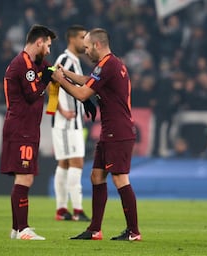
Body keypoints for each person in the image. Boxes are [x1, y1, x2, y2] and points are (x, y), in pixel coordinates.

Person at [51, 28, 141, 241]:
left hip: (117, 132)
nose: (86, 51)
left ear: (98, 45)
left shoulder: (107, 65)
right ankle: (94, 230)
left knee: (120, 178)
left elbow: (82, 93)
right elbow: (87, 81)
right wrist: (67, 74)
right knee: (97, 176)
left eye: (88, 47)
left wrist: (59, 80)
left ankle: (134, 232)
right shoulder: (111, 64)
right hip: (111, 131)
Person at [0, 24, 57, 240]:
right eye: (48, 45)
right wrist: (47, 77)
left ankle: (16, 229)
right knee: (24, 178)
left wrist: (51, 73)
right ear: (39, 42)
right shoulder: (22, 64)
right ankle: (23, 229)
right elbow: (34, 94)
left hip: (27, 128)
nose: (49, 51)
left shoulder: (33, 63)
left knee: (25, 178)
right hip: (20, 129)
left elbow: (51, 71)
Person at [51, 25, 90, 222]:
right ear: (72, 39)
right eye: (83, 37)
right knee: (76, 162)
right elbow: (52, 85)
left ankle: (61, 210)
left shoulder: (74, 61)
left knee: (65, 164)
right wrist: (60, 110)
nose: (86, 41)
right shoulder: (65, 60)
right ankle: (77, 209)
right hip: (66, 122)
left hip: (72, 122)